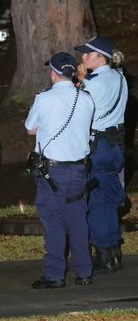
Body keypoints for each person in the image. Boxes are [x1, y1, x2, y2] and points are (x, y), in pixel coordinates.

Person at [25, 52, 95, 289]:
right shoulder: (86, 99)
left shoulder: (44, 99)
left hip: (52, 172)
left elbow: (30, 128)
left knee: (54, 221)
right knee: (78, 220)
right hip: (78, 169)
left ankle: (55, 275)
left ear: (53, 73)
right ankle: (84, 271)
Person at [74, 36, 128, 273]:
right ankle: (114, 250)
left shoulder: (92, 83)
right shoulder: (120, 77)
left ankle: (104, 253)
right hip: (116, 144)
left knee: (96, 200)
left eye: (88, 54)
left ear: (100, 57)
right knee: (108, 197)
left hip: (97, 146)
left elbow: (76, 107)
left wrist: (80, 81)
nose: (83, 58)